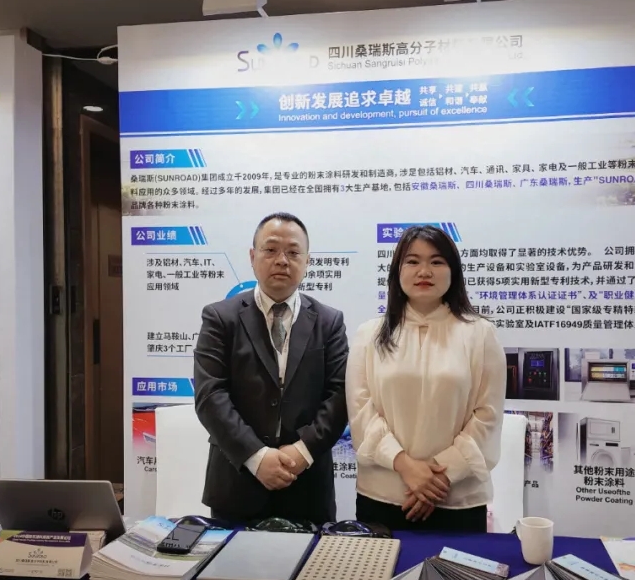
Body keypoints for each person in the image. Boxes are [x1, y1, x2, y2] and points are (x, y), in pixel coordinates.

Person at [346, 225, 505, 532]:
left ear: (453, 271)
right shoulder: (369, 334)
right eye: (413, 261)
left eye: (436, 261)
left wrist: (438, 477)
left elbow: (488, 415)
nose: (424, 271)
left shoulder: (480, 334)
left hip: (456, 497)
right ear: (397, 270)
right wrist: (405, 466)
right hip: (384, 494)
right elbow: (361, 412)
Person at [194, 212, 349, 525]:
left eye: (293, 252)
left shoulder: (329, 322)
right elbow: (210, 395)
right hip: (237, 485)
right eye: (271, 249)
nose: (282, 260)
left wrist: (301, 452)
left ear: (307, 261)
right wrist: (256, 456)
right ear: (253, 257)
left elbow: (339, 395)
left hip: (306, 486)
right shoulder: (220, 318)